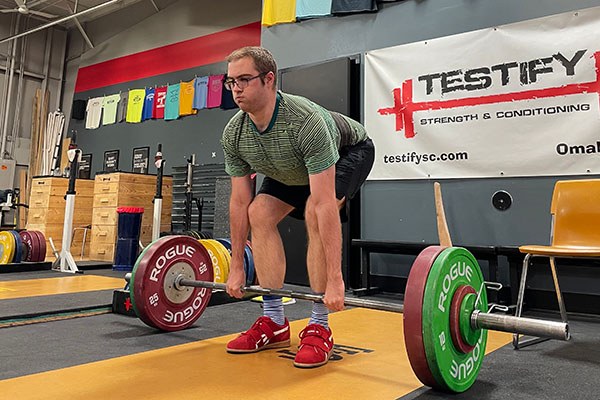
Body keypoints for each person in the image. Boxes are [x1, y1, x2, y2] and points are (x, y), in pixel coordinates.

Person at [220, 46, 375, 368]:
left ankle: (319, 324)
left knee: (313, 214)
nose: (236, 89)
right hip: (290, 166)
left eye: (245, 80)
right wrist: (236, 264)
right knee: (258, 212)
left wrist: (335, 279)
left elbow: (321, 204)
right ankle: (274, 320)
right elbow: (238, 201)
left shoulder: (305, 121)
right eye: (231, 81)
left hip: (350, 152)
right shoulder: (235, 133)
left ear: (269, 79)